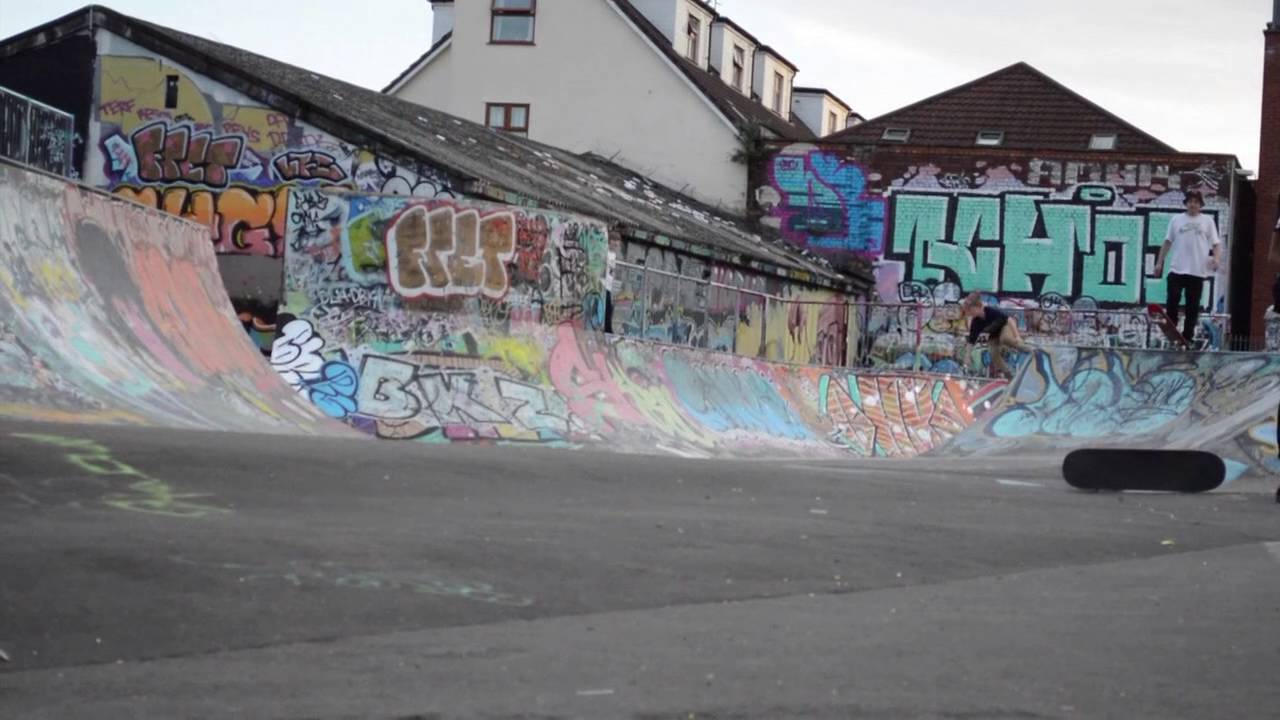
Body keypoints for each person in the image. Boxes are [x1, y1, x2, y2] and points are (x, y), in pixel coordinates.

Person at [1155, 190, 1221, 344]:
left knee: (1192, 306)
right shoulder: (1176, 220)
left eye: (1196, 202)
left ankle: (1187, 336)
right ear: (1186, 204)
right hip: (1177, 268)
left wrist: (1216, 259)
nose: (1193, 205)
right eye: (1190, 202)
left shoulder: (1207, 221)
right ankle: (1172, 325)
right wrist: (1159, 262)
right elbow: (1167, 242)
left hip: (1197, 271)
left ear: (1200, 205)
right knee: (1173, 297)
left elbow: (1216, 244)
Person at [959, 292, 1033, 378]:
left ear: (978, 307)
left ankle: (1030, 350)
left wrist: (1017, 336)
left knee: (1005, 338)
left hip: (1004, 327)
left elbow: (1009, 320)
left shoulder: (990, 311)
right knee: (993, 353)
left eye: (971, 310)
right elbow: (971, 341)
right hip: (993, 336)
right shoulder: (975, 322)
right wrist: (967, 356)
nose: (970, 313)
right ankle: (1008, 374)